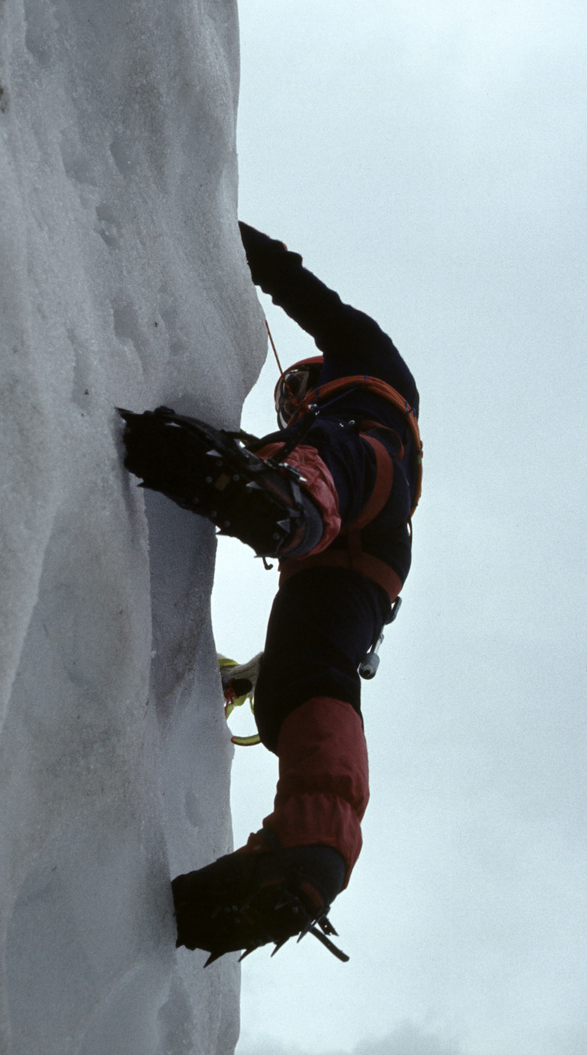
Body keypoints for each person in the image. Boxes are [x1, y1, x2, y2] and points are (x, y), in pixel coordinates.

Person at [118, 222, 422, 965]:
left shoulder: (373, 374)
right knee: (303, 680)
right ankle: (312, 847)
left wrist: (235, 239)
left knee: (323, 460)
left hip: (363, 488)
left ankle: (292, 499)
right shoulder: (324, 430)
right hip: (354, 573)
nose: (295, 400)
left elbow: (308, 295)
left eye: (297, 391)